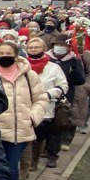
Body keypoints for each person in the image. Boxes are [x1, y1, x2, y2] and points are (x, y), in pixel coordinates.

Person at [0, 41, 48, 180]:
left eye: (9, 54)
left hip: (19, 129)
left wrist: (33, 116)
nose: (5, 57)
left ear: (16, 56)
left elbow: (41, 98)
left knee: (10, 166)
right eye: (1, 54)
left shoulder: (29, 75)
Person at [25, 36, 69, 170]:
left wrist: (48, 94)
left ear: (44, 49)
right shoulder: (21, 65)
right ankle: (24, 163)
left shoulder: (53, 68)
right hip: (24, 105)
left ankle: (35, 160)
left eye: (36, 47)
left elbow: (63, 86)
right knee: (26, 136)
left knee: (39, 135)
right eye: (30, 47)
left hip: (45, 106)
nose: (33, 50)